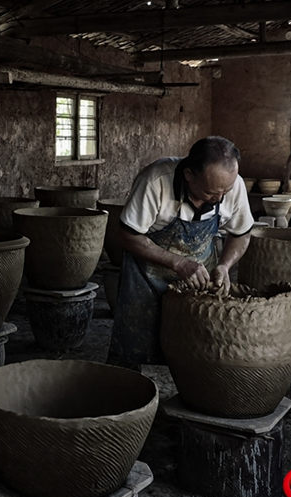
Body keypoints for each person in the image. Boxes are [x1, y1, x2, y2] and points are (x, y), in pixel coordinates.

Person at [108, 136, 254, 367]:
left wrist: (225, 266)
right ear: (189, 175)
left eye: (225, 191)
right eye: (210, 193)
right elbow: (127, 235)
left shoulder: (232, 187)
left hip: (200, 279)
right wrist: (178, 262)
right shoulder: (156, 181)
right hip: (146, 279)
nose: (219, 198)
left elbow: (241, 233)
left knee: (195, 350)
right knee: (137, 347)